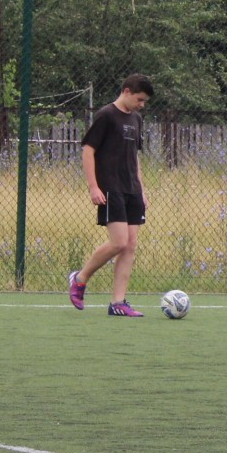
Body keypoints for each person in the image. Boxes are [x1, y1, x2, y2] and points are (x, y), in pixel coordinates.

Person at [68, 74, 154, 317]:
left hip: (132, 189)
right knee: (119, 242)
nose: (141, 105)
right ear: (126, 91)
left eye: (144, 101)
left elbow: (134, 157)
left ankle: (118, 303)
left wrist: (141, 190)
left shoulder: (136, 119)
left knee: (130, 245)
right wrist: (93, 187)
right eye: (139, 99)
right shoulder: (106, 115)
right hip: (111, 187)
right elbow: (88, 151)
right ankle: (80, 278)